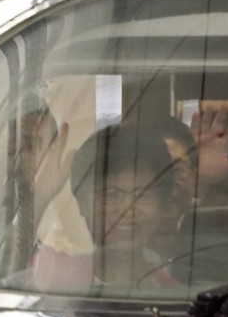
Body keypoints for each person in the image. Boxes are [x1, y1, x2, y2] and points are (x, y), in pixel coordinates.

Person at [29, 124, 179, 290]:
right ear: (82, 204)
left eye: (142, 195)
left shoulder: (178, 297)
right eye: (111, 194)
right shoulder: (53, 276)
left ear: (163, 206)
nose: (126, 211)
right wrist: (39, 200)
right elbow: (5, 264)